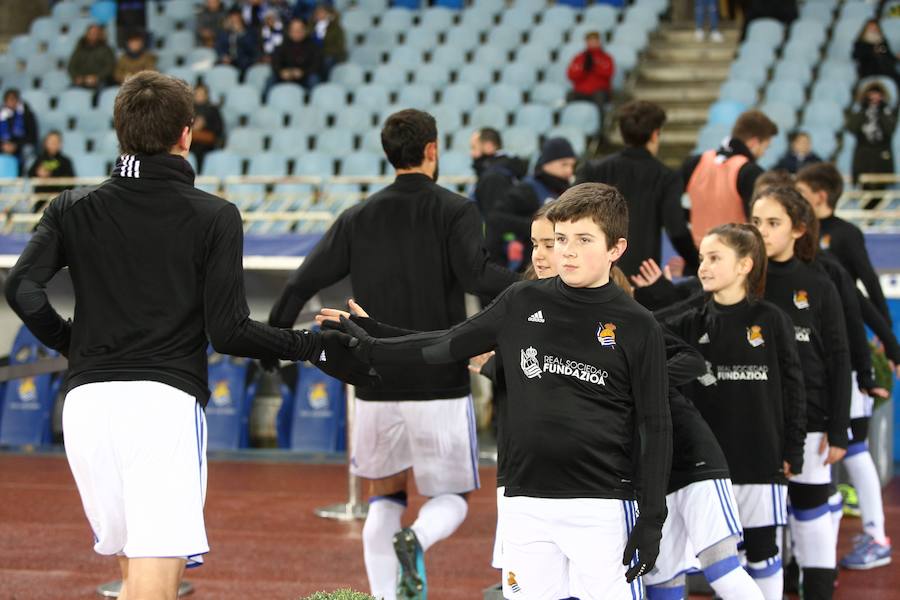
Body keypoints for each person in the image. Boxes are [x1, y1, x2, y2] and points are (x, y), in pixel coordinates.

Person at [4, 71, 370, 600]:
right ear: (186, 134)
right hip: (161, 405)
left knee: (136, 572)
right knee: (156, 581)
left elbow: (23, 289)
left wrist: (70, 343)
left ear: (120, 132)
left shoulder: (70, 206)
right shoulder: (214, 215)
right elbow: (229, 331)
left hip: (85, 406)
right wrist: (309, 344)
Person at [330, 182, 673, 599]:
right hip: (525, 502)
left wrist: (652, 518)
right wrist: (375, 343)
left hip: (601, 506)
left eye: (583, 240)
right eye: (561, 238)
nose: (566, 251)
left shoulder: (638, 325)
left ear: (615, 248)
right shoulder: (522, 300)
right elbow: (449, 344)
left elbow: (656, 426)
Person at [266, 108, 519, 600]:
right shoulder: (456, 209)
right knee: (452, 497)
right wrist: (535, 288)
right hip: (439, 378)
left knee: (385, 496)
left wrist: (274, 342)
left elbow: (301, 282)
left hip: (375, 379)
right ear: (432, 150)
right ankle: (418, 537)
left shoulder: (358, 216)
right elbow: (477, 277)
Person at [660, 223, 807, 600]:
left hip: (761, 458)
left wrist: (794, 449)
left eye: (714, 258)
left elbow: (793, 389)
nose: (703, 267)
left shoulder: (772, 319)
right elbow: (648, 328)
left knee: (763, 551)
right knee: (724, 563)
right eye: (701, 259)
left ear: (744, 265)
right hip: (709, 465)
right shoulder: (690, 322)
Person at [750, 186, 851, 599]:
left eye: (773, 223)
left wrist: (839, 427)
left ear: (798, 229)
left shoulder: (818, 282)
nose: (763, 231)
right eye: (756, 222)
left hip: (810, 423)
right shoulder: (745, 276)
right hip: (756, 426)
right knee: (757, 531)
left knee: (810, 516)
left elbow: (839, 358)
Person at [576, 100, 699, 277]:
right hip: (642, 276)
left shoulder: (593, 169)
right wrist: (695, 263)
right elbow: (677, 229)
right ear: (655, 134)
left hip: (595, 268)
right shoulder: (666, 177)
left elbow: (570, 211)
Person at [682, 109, 778, 246]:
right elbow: (759, 223)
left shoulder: (695, 162)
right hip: (736, 256)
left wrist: (691, 216)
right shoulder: (752, 172)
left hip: (699, 255)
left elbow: (672, 207)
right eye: (765, 147)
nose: (763, 154)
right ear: (754, 142)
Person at [486, 137, 576, 271]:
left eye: (572, 165)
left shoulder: (567, 190)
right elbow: (496, 217)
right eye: (564, 164)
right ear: (547, 163)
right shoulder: (527, 189)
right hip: (531, 267)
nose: (569, 171)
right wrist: (537, 227)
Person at [469, 127, 529, 220]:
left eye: (474, 147)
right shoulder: (503, 168)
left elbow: (494, 221)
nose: (471, 153)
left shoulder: (493, 177)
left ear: (488, 146)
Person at [847, 81, 896, 189]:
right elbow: (851, 128)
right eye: (871, 94)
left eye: (877, 94)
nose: (874, 97)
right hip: (863, 159)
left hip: (881, 160)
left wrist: (882, 111)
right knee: (865, 195)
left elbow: (890, 130)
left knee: (880, 194)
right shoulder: (860, 112)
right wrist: (863, 109)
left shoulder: (887, 112)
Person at [566, 31, 614, 120]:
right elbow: (570, 75)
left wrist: (595, 67)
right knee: (570, 95)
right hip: (582, 91)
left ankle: (600, 127)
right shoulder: (579, 58)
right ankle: (570, 122)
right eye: (590, 41)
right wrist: (584, 70)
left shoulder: (606, 57)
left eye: (594, 40)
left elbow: (609, 73)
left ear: (599, 41)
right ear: (586, 42)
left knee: (599, 97)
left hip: (599, 92)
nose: (592, 43)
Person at [271, 18, 322, 89]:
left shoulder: (313, 46)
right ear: (289, 32)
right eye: (293, 30)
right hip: (286, 76)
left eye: (299, 30)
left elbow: (316, 65)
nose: (296, 33)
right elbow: (276, 62)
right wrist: (281, 72)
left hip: (305, 77)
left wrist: (303, 72)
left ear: (305, 30)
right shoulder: (282, 46)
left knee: (313, 78)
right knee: (271, 78)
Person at [27, 130, 76, 199]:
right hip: (41, 198)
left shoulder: (65, 161)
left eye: (56, 141)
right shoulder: (40, 159)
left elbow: (72, 181)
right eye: (51, 141)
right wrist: (38, 173)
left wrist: (52, 176)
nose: (54, 143)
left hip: (58, 199)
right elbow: (30, 174)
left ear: (60, 144)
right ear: (45, 143)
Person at [0, 88, 38, 174]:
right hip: (3, 147)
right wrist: (3, 146)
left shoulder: (28, 115)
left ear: (18, 100)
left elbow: (33, 137)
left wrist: (16, 145)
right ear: (5, 102)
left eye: (14, 99)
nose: (11, 102)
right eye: (9, 100)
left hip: (21, 147)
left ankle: (25, 177)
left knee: (28, 150)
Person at [853, 19, 900, 88]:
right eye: (871, 28)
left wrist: (896, 58)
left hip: (886, 70)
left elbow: (890, 58)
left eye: (875, 28)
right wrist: (872, 50)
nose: (873, 30)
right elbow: (856, 56)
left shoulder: (882, 43)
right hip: (868, 70)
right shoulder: (860, 43)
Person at [68, 24, 116, 89]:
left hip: (100, 81)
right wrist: (76, 77)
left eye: (96, 33)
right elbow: (71, 65)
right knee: (71, 92)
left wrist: (97, 77)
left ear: (100, 34)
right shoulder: (79, 48)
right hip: (81, 80)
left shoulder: (106, 49)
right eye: (91, 33)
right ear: (87, 34)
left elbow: (110, 66)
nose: (93, 35)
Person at [191, 83, 225, 173]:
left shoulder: (213, 109)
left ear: (206, 95)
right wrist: (194, 127)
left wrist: (204, 125)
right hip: (191, 142)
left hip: (208, 143)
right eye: (197, 94)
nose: (199, 96)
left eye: (202, 94)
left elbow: (219, 128)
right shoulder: (188, 109)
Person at [216, 8, 260, 74]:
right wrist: (223, 56)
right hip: (228, 61)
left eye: (236, 19)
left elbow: (252, 48)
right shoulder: (224, 32)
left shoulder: (250, 31)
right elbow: (219, 46)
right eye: (232, 19)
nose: (234, 21)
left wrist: (240, 32)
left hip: (244, 62)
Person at [311, 4, 347, 81]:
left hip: (330, 55)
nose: (320, 15)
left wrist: (322, 52)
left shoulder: (336, 28)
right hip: (313, 55)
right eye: (318, 13)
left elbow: (340, 47)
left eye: (323, 13)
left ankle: (325, 81)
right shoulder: (310, 27)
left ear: (329, 14)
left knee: (327, 60)